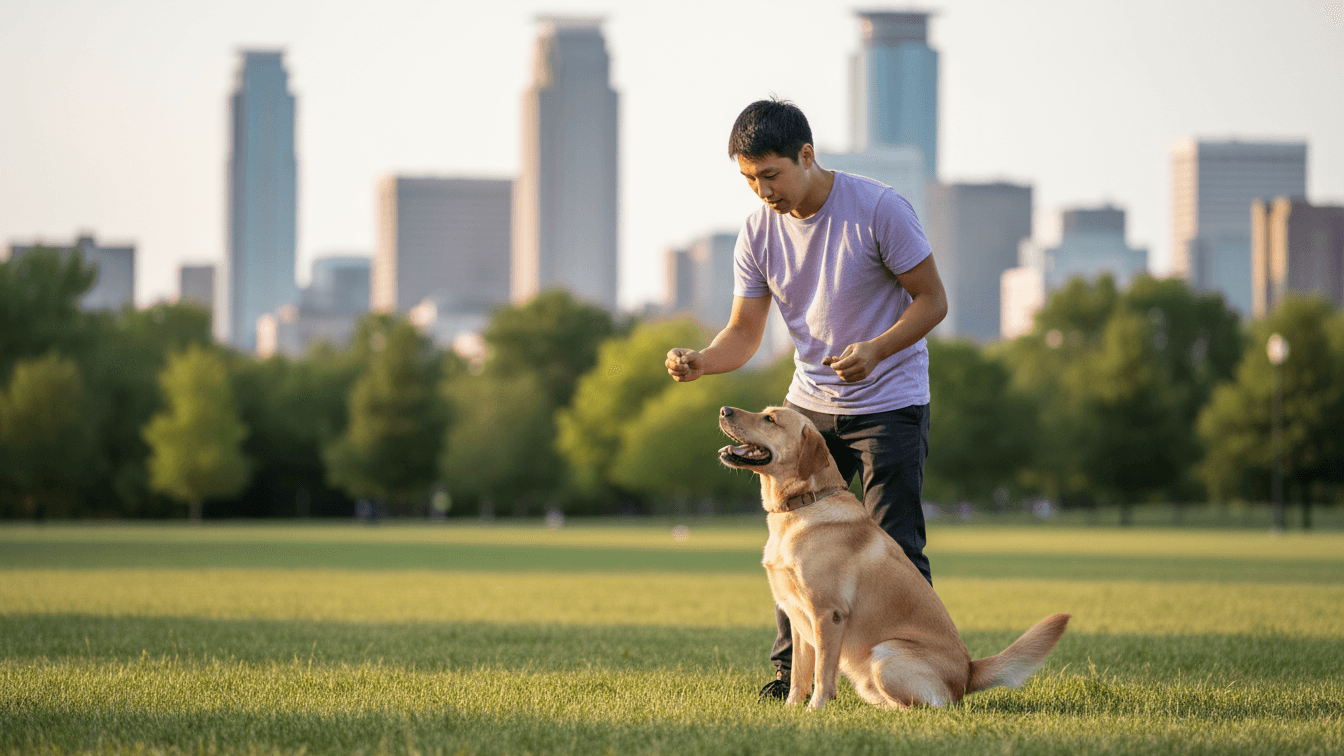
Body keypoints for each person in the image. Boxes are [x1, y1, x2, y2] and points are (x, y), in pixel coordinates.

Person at [664, 98, 948, 702]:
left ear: (807, 155)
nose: (761, 190)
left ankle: (916, 670)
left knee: (894, 543)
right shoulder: (758, 232)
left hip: (890, 401)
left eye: (770, 174)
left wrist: (876, 349)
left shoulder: (878, 209)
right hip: (808, 407)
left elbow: (932, 301)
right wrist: (701, 362)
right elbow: (744, 334)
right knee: (793, 545)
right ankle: (786, 679)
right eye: (748, 179)